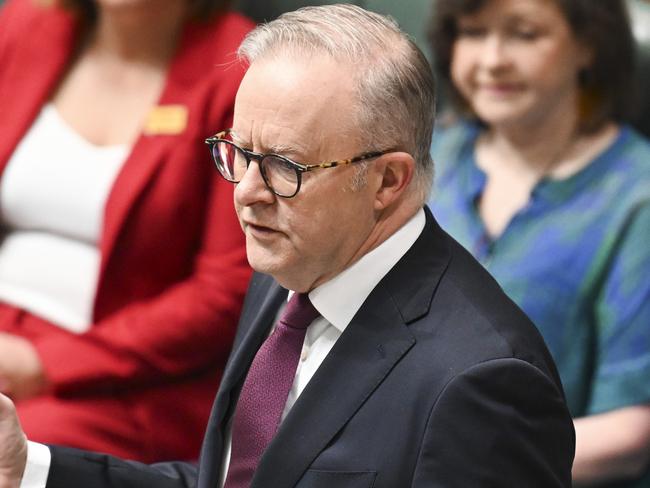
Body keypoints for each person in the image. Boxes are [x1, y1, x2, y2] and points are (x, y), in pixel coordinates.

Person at [0, 4, 574, 487]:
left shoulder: (484, 384)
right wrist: (29, 465)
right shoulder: (288, 269)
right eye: (240, 153)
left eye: (283, 165)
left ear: (387, 181)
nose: (246, 193)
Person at [0, 0, 253, 462]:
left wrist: (47, 363)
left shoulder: (239, 70)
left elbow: (225, 291)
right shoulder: (27, 23)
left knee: (21, 450)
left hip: (124, 379)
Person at [426, 0, 650, 486]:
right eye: (473, 32)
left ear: (589, 45)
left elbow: (633, 431)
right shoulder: (428, 156)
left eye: (525, 34)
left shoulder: (638, 198)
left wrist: (455, 466)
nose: (491, 60)